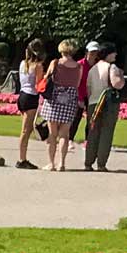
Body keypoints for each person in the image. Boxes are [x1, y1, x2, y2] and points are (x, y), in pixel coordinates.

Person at [39, 39, 88, 171]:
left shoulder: (55, 63)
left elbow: (46, 78)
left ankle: (51, 163)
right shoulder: (79, 67)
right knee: (64, 135)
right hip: (70, 99)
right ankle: (62, 163)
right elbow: (77, 84)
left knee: (52, 134)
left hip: (54, 99)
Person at [82, 41, 126, 172]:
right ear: (108, 54)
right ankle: (101, 163)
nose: (116, 54)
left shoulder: (92, 69)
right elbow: (117, 84)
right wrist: (122, 77)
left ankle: (88, 162)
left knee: (92, 133)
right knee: (106, 133)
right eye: (113, 52)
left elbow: (88, 88)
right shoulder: (112, 67)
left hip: (93, 102)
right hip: (108, 103)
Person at [13, 40, 46, 169]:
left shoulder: (23, 64)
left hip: (22, 95)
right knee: (26, 130)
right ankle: (22, 159)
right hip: (31, 97)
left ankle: (22, 157)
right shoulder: (38, 66)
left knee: (27, 129)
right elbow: (39, 85)